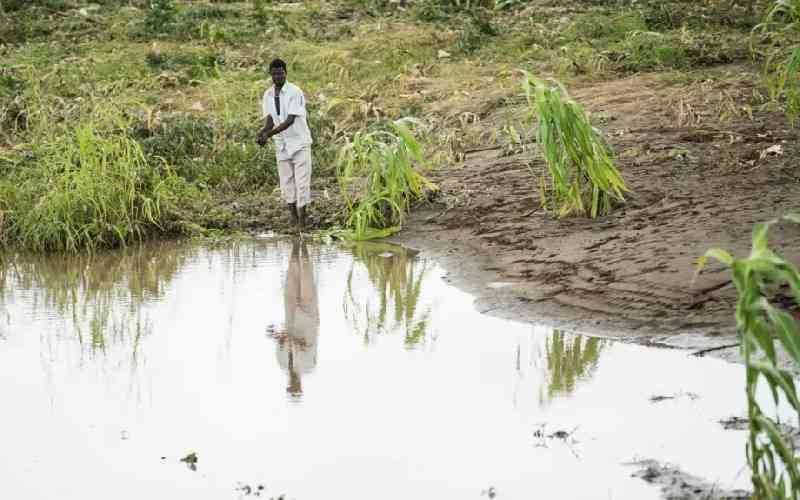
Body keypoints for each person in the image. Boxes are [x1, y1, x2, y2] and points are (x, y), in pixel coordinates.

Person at [257, 58, 313, 230]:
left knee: (302, 183)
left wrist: (269, 134)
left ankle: (303, 222)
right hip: (282, 145)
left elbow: (289, 120)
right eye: (274, 74)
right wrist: (262, 132)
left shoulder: (295, 92)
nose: (277, 76)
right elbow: (270, 120)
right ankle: (293, 219)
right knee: (287, 182)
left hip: (299, 143)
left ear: (285, 73)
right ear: (270, 75)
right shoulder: (267, 95)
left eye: (280, 73)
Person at [269, 239, 320, 398]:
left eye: (292, 386)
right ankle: (302, 244)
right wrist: (287, 339)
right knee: (305, 275)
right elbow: (306, 344)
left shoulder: (282, 362)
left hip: (291, 316)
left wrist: (276, 335)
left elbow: (282, 341)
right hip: (308, 317)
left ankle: (297, 242)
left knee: (292, 276)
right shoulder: (309, 365)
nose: (293, 384)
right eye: (295, 386)